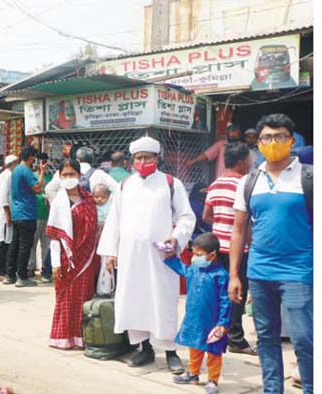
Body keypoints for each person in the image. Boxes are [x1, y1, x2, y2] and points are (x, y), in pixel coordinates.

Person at [229, 114, 313, 393]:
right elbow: (239, 231)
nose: (272, 142)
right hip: (260, 271)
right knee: (266, 337)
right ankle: (272, 388)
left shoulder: (309, 176)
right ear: (259, 142)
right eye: (267, 137)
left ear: (291, 140)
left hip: (300, 270)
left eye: (279, 137)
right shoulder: (249, 181)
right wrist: (234, 275)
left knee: (304, 339)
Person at [98, 136, 196, 373]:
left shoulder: (171, 184)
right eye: (138, 158)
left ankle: (171, 351)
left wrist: (177, 238)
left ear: (157, 158)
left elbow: (186, 216)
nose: (142, 161)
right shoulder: (125, 185)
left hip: (161, 257)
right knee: (135, 300)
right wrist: (111, 252)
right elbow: (115, 219)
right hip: (130, 256)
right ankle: (145, 349)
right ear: (132, 160)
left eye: (147, 157)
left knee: (163, 301)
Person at [201, 143, 257, 356]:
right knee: (237, 294)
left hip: (217, 248)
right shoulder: (245, 184)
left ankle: (219, 331)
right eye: (249, 159)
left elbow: (206, 216)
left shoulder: (215, 184)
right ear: (242, 161)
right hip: (238, 249)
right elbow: (246, 223)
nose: (251, 163)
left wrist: (221, 223)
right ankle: (236, 338)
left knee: (220, 292)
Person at [165, 233, 231, 394]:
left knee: (214, 351)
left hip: (213, 321)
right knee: (194, 346)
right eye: (194, 253)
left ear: (212, 255)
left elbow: (225, 301)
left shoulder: (221, 275)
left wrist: (223, 323)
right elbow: (183, 270)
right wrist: (171, 257)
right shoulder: (194, 269)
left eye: (199, 255)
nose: (195, 258)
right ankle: (193, 373)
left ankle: (213, 379)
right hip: (194, 318)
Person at [46, 159, 99, 350]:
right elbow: (54, 236)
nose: (68, 178)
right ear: (59, 177)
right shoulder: (59, 202)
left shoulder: (88, 200)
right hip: (65, 259)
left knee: (84, 296)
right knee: (66, 297)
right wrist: (55, 264)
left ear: (79, 175)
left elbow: (94, 229)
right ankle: (63, 337)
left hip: (87, 257)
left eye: (72, 174)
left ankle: (80, 337)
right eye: (64, 175)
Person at [5, 146, 48, 287]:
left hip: (17, 212)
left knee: (15, 244)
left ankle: (10, 274)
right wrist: (42, 172)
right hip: (27, 212)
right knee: (25, 246)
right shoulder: (26, 171)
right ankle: (22, 276)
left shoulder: (16, 170)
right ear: (30, 157)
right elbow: (37, 188)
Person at [0, 155, 18, 282]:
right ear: (13, 164)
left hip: (4, 213)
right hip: (5, 214)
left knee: (5, 242)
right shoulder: (8, 176)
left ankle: (2, 269)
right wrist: (8, 214)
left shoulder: (3, 175)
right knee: (4, 243)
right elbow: (4, 198)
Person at [28, 152, 52, 280]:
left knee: (46, 243)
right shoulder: (32, 176)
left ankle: (45, 268)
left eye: (44, 162)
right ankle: (30, 267)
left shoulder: (51, 178)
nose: (42, 164)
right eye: (40, 161)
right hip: (35, 213)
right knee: (32, 242)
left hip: (47, 214)